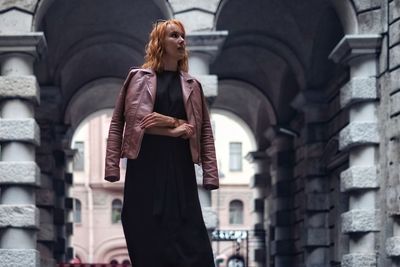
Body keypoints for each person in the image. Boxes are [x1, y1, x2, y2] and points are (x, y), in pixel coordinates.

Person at [104, 19, 219, 267]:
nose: (181, 41)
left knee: (194, 246)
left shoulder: (192, 85)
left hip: (179, 170)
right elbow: (118, 124)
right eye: (174, 36)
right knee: (145, 238)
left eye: (182, 37)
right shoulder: (137, 78)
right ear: (160, 42)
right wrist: (112, 167)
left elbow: (203, 131)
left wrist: (210, 174)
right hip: (144, 167)